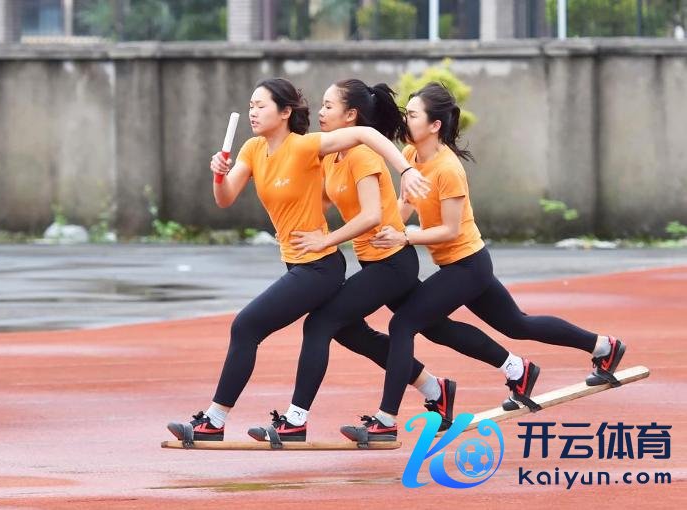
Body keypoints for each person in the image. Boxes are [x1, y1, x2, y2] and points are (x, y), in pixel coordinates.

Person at [248, 79, 533, 443]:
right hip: (375, 261)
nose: (320, 112)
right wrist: (288, 216)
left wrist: (328, 240)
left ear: (350, 115)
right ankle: (486, 375)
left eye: (329, 106)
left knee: (323, 323)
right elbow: (320, 201)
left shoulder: (363, 156)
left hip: (393, 264)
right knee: (426, 328)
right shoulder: (332, 157)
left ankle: (305, 419)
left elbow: (370, 217)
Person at [341, 82, 626, 442]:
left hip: (468, 265)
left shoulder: (448, 169)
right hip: (459, 266)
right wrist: (385, 227)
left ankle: (386, 418)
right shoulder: (412, 156)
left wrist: (405, 237)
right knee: (516, 324)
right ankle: (596, 348)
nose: (405, 121)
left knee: (404, 324)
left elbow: (449, 230)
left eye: (412, 115)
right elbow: (406, 206)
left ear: (434, 125)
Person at [166, 77, 431, 443]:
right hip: (299, 264)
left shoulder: (306, 146)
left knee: (247, 327)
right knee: (351, 333)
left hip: (319, 267)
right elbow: (224, 198)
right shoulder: (252, 150)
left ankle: (219, 420)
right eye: (250, 106)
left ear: (285, 112)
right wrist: (218, 174)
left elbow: (366, 135)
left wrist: (407, 169)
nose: (253, 112)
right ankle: (432, 386)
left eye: (261, 106)